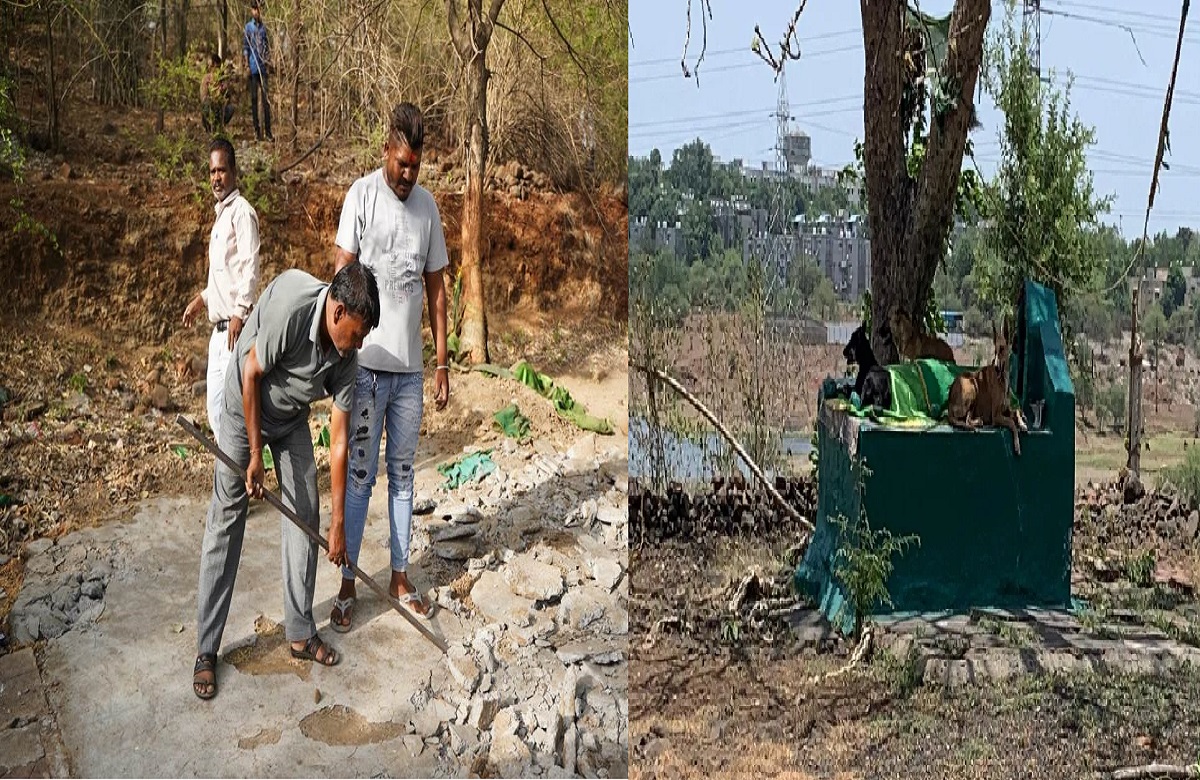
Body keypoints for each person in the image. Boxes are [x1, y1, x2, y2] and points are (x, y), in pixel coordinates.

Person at [191, 263, 380, 700]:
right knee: (227, 520)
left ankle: (299, 631)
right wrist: (255, 455)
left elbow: (339, 440)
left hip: (290, 418)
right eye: (357, 334)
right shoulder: (293, 305)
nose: (358, 344)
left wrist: (337, 524)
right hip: (244, 409)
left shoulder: (347, 356)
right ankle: (206, 649)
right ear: (338, 313)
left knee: (305, 514)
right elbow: (251, 372)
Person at [328, 102, 449, 632]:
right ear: (386, 152)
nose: (408, 174)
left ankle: (400, 577)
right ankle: (348, 583)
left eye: (415, 166)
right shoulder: (361, 196)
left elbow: (437, 288)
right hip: (364, 369)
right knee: (360, 477)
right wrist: (338, 355)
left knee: (402, 475)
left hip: (409, 375)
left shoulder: (428, 209)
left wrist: (441, 363)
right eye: (401, 164)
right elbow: (341, 276)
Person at [182, 138, 260, 448]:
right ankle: (231, 467)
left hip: (235, 329)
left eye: (222, 171)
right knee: (215, 409)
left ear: (234, 172)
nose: (216, 178)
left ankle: (246, 465)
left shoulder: (242, 212)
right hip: (218, 332)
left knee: (233, 408)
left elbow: (250, 268)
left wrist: (240, 312)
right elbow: (225, 276)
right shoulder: (221, 216)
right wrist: (200, 300)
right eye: (212, 171)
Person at [242, 0, 273, 141]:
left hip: (263, 68)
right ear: (251, 10)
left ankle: (268, 132)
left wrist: (268, 62)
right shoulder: (248, 27)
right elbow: (245, 47)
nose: (256, 12)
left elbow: (267, 47)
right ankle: (256, 131)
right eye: (254, 9)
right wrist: (246, 65)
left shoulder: (264, 28)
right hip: (253, 68)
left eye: (258, 9)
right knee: (254, 100)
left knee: (266, 101)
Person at [200, 53, 234, 133]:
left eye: (212, 66)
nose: (211, 68)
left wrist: (222, 92)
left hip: (221, 108)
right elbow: (203, 97)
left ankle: (220, 128)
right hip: (210, 106)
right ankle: (209, 128)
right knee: (206, 105)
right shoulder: (206, 78)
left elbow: (228, 96)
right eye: (210, 66)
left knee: (230, 108)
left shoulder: (223, 79)